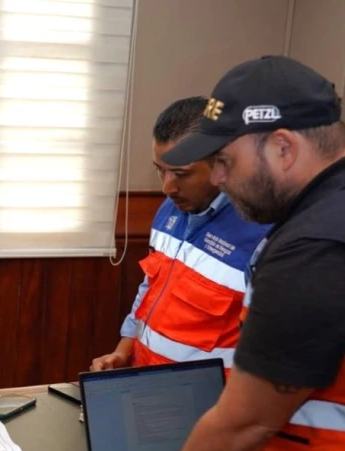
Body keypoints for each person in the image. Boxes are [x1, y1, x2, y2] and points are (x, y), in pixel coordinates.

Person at [155, 55, 345, 451]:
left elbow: (243, 426)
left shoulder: (313, 248)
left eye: (224, 161)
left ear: (283, 148)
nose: (218, 178)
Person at [90, 97, 269, 372]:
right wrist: (123, 351)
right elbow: (151, 287)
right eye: (160, 170)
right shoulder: (169, 209)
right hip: (147, 379)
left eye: (180, 173)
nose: (167, 187)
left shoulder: (261, 234)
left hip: (210, 403)